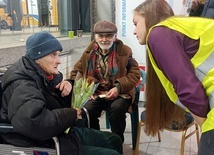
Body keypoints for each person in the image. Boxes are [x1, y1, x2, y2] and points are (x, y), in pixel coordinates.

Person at [0, 31, 122, 155]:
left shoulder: (41, 74)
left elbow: (49, 103)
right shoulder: (23, 85)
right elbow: (37, 123)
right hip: (42, 142)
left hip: (59, 132)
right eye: (53, 55)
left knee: (114, 140)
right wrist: (73, 113)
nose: (59, 61)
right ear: (37, 57)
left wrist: (68, 87)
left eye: (58, 55)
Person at [132, 0, 214, 154]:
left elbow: (189, 90)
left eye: (135, 23)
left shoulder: (158, 33)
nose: (134, 31)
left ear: (147, 16)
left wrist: (206, 128)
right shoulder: (178, 26)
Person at [70, 20, 141, 144]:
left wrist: (118, 87)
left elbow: (135, 74)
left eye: (108, 36)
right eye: (100, 36)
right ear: (95, 37)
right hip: (98, 93)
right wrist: (81, 88)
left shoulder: (124, 51)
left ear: (115, 37)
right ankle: (97, 140)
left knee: (117, 109)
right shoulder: (88, 53)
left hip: (120, 93)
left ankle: (116, 142)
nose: (104, 39)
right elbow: (77, 70)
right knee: (87, 110)